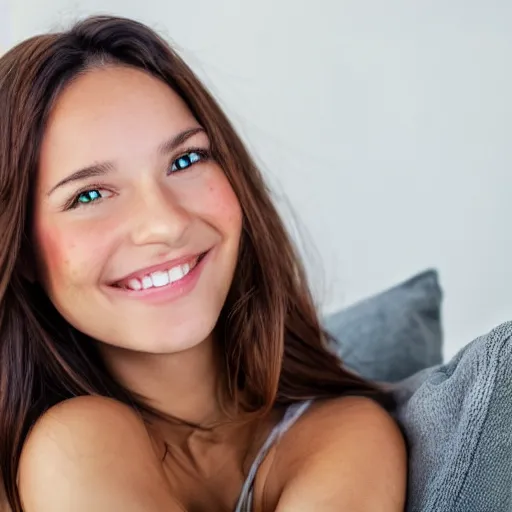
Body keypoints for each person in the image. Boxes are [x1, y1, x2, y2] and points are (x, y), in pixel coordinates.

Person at [0, 15, 406, 512]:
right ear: (19, 251)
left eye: (185, 161)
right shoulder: (72, 440)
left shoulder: (348, 433)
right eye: (89, 194)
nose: (165, 224)